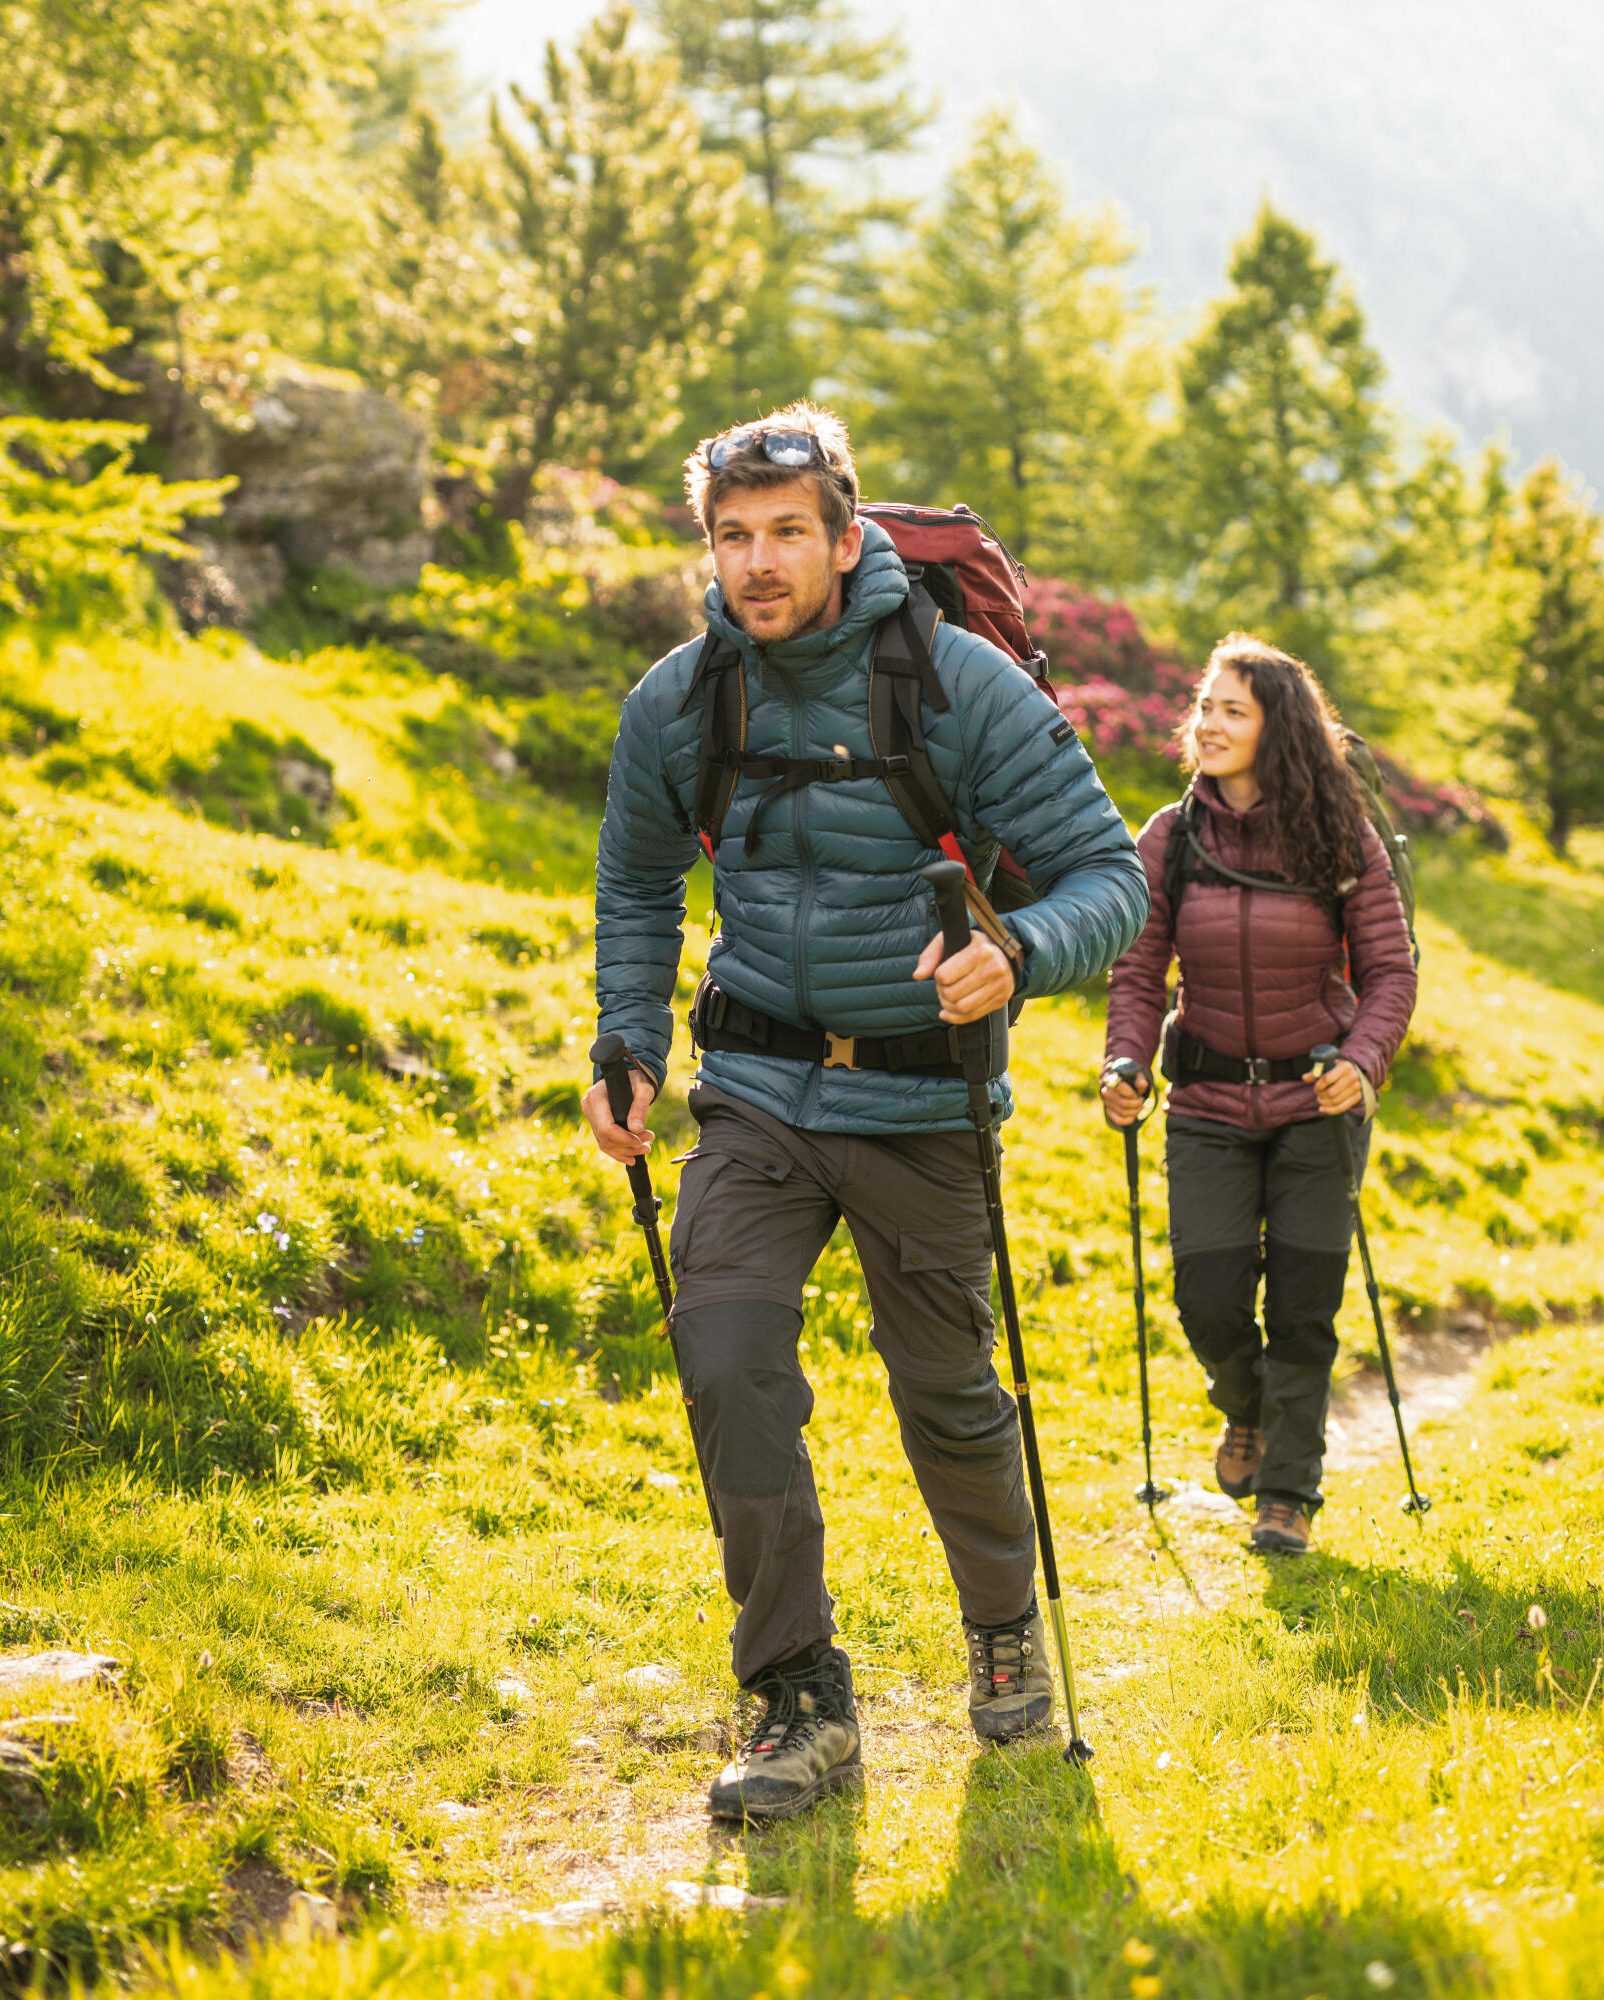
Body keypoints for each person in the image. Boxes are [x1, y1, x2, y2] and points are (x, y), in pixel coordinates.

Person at [584, 402, 1148, 1820]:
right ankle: (796, 1696)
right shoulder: (679, 701)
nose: (759, 564)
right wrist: (629, 1041)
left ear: (848, 536)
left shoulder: (962, 689)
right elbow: (641, 886)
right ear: (706, 548)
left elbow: (1109, 881)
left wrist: (1015, 952)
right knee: (724, 1362)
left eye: (786, 534)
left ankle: (1004, 1629)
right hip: (757, 1095)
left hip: (921, 1100)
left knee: (949, 1396)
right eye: (732, 537)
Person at [1100, 635, 1417, 1556]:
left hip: (1317, 1103)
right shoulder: (1170, 838)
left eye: (1232, 710)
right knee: (1208, 1299)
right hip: (1204, 1107)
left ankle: (1289, 1494)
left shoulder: (1338, 835)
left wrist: (1362, 1061)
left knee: (1305, 1311)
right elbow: (1137, 970)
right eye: (1204, 706)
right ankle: (1246, 1409)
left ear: (1279, 729)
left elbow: (1391, 971)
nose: (1208, 723)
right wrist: (1127, 1064)